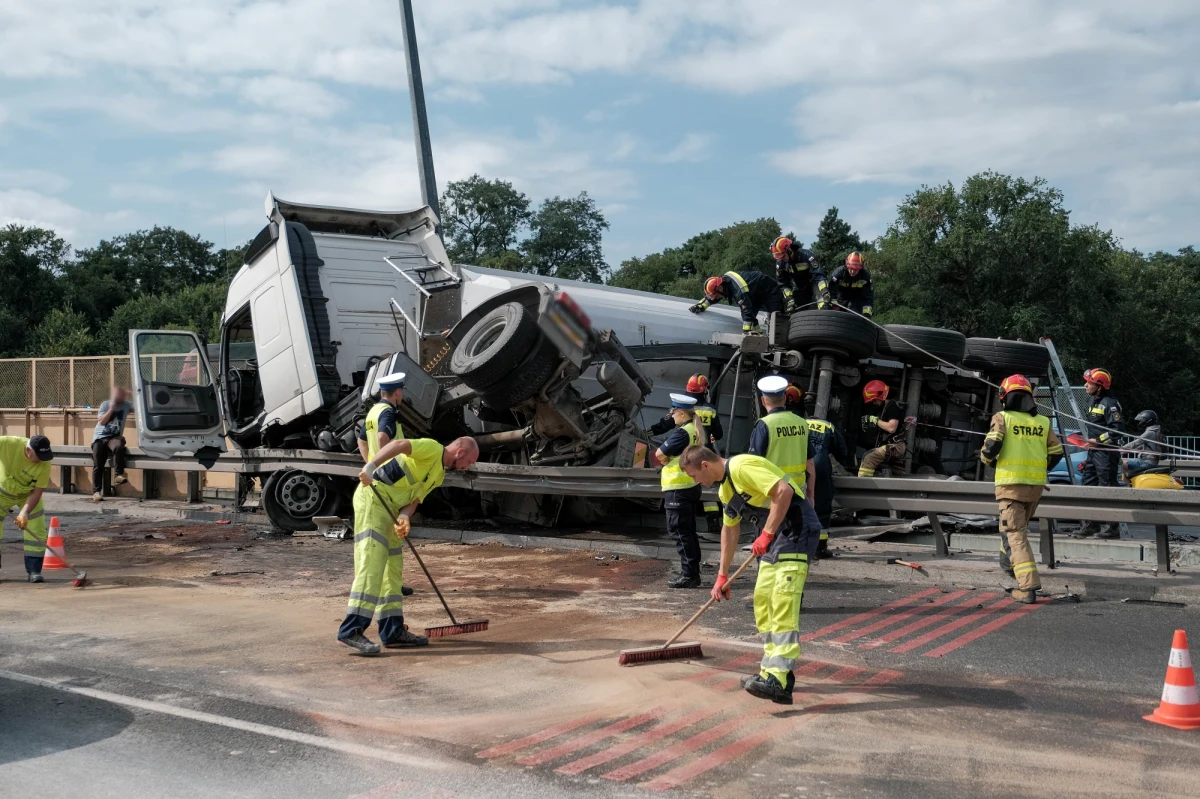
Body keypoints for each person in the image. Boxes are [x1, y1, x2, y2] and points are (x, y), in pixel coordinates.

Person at [681, 444, 822, 705]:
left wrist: (766, 534)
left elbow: (784, 490)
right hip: (774, 538)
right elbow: (729, 531)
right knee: (763, 601)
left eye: (693, 476)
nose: (696, 482)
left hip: (796, 532)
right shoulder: (726, 489)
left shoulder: (742, 466)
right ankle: (770, 672)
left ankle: (778, 681)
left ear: (704, 465)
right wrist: (722, 576)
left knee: (781, 602)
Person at [339, 435, 481, 655]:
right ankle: (351, 629)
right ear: (460, 453)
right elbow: (399, 445)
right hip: (374, 500)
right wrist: (371, 465)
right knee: (372, 565)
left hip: (393, 512)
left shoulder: (439, 474)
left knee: (392, 573)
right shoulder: (432, 448)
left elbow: (414, 501)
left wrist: (405, 517)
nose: (466, 467)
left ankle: (392, 631)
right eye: (469, 462)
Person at [980, 375, 1064, 603]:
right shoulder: (1043, 422)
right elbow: (1056, 453)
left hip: (1010, 487)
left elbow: (991, 446)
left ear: (1004, 397)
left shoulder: (1002, 417)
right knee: (1012, 529)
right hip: (1035, 487)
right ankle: (1008, 566)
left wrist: (987, 459)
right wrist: (1039, 469)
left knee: (1016, 535)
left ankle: (1027, 588)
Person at [648, 374, 724, 532]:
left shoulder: (683, 410)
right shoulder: (710, 409)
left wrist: (648, 432)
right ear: (705, 390)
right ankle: (714, 523)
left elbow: (665, 424)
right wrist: (711, 436)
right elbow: (718, 434)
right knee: (708, 489)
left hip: (684, 455)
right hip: (705, 452)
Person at [654, 393, 707, 588]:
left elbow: (659, 453)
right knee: (688, 532)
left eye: (674, 411)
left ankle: (689, 575)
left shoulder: (682, 432)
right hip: (690, 487)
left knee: (679, 532)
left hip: (678, 488)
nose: (672, 415)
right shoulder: (694, 429)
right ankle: (692, 571)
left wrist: (665, 460)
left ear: (682, 413)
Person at [746, 375, 816, 520]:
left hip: (773, 494)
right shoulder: (802, 423)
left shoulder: (764, 425)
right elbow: (810, 463)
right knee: (793, 537)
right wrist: (811, 495)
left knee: (770, 537)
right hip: (798, 494)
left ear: (763, 401)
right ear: (784, 398)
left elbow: (753, 465)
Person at [0, 435, 55, 583]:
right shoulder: (8, 444)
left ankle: (34, 571)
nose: (41, 460)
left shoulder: (44, 462)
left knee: (36, 527)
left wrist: (24, 513)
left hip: (28, 495)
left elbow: (37, 492)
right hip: (2, 492)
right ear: (28, 450)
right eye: (38, 456)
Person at [1078, 367, 1125, 539]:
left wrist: (1098, 441)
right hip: (1093, 452)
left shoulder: (1110, 404)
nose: (1085, 385)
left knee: (1107, 488)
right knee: (1088, 486)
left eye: (1089, 383)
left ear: (1099, 386)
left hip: (1106, 453)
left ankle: (1112, 528)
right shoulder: (1093, 402)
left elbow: (1117, 430)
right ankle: (1092, 525)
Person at [805, 411, 849, 559]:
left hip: (798, 467)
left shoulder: (799, 424)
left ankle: (795, 546)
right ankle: (819, 549)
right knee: (822, 508)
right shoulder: (827, 426)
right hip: (820, 469)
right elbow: (842, 452)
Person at [689, 270, 784, 334]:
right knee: (752, 320)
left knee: (775, 318)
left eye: (716, 294)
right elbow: (711, 298)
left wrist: (745, 332)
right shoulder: (724, 285)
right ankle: (758, 335)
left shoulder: (737, 290)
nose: (716, 297)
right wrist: (700, 306)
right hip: (755, 294)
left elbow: (746, 308)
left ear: (720, 288)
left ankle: (778, 344)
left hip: (770, 290)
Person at [857, 380, 907, 476]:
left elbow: (892, 428)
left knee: (869, 457)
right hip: (889, 445)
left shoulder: (893, 407)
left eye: (874, 400)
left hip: (896, 446)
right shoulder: (883, 409)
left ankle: (863, 484)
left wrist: (875, 420)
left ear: (880, 395)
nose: (874, 403)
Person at [91, 386, 132, 502]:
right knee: (98, 464)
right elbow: (102, 421)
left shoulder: (127, 405)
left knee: (119, 446)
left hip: (114, 437)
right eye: (118, 394)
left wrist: (132, 393)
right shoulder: (105, 404)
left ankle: (118, 475)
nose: (120, 397)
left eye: (122, 395)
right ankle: (96, 492)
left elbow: (142, 405)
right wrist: (111, 409)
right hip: (100, 438)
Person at [769, 237, 830, 313]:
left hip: (814, 282)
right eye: (779, 258)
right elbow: (783, 284)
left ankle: (824, 317)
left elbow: (819, 276)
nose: (782, 260)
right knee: (793, 309)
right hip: (800, 287)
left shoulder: (807, 256)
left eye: (783, 256)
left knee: (824, 303)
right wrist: (789, 298)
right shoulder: (781, 263)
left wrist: (824, 290)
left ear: (790, 250)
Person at [356, 371, 406, 463]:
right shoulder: (388, 412)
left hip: (377, 473)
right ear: (397, 392)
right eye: (402, 391)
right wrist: (386, 466)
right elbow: (382, 437)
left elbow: (361, 441)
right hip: (392, 474)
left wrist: (370, 465)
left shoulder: (373, 410)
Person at [828, 252, 874, 317]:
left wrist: (867, 312)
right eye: (851, 268)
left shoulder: (865, 276)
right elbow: (831, 289)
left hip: (856, 300)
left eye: (855, 269)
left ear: (860, 268)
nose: (852, 272)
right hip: (840, 299)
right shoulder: (839, 273)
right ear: (847, 265)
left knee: (853, 316)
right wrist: (834, 304)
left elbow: (868, 296)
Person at [1124, 410, 1167, 478]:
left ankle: (1125, 485)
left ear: (1147, 421)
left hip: (1146, 462)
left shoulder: (1150, 433)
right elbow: (1141, 446)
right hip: (1151, 462)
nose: (1140, 422)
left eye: (1141, 420)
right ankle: (1129, 483)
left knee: (1122, 462)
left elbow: (1135, 443)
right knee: (1126, 466)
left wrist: (1120, 449)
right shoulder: (1155, 431)